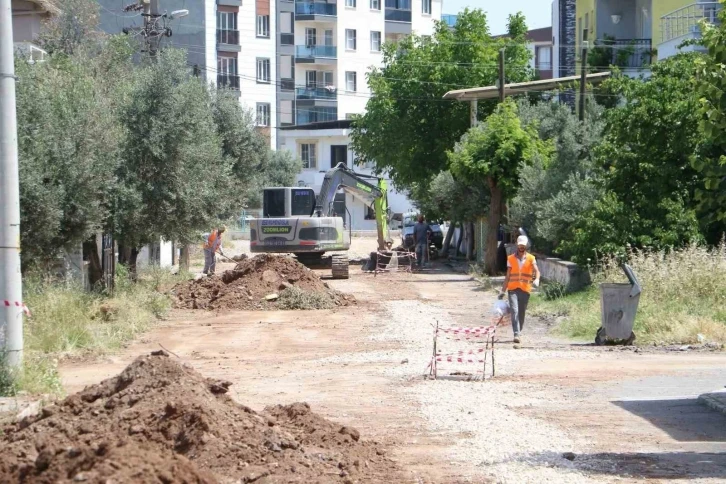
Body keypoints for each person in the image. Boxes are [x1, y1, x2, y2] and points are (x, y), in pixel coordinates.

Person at [499, 235, 540, 343]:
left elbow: (537, 271)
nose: (521, 247)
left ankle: (519, 331)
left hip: (525, 290)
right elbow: (508, 276)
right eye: (520, 245)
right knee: (514, 311)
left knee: (521, 313)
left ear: (526, 246)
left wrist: (537, 279)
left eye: (523, 245)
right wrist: (503, 291)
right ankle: (516, 333)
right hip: (513, 289)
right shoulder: (511, 258)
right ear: (517, 245)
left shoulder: (531, 258)